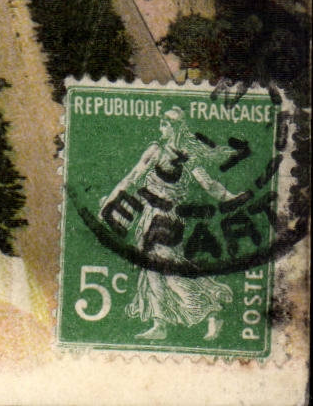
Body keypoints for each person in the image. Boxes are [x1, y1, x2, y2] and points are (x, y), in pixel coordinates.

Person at [100, 109, 240, 341]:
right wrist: (112, 200)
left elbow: (210, 185)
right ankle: (160, 323)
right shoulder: (156, 150)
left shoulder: (187, 158)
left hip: (168, 218)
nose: (160, 129)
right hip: (148, 214)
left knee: (169, 270)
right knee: (151, 268)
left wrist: (233, 198)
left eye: (164, 125)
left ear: (175, 127)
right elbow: (132, 177)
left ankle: (212, 308)